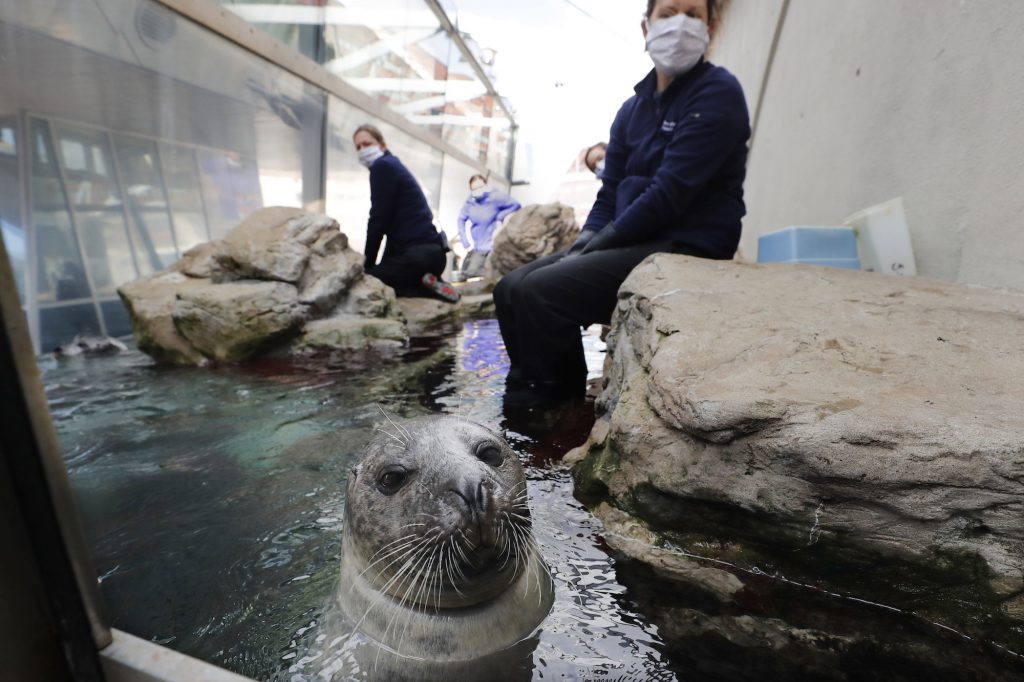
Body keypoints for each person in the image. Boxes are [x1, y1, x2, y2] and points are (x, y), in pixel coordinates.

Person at [494, 0, 750, 402]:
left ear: (710, 27)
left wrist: (603, 240)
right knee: (509, 287)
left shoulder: (717, 92)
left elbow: (669, 194)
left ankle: (559, 407)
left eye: (692, 14)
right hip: (634, 241)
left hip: (686, 243)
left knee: (540, 292)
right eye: (667, 13)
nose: (679, 24)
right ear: (646, 26)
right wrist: (587, 238)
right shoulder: (632, 110)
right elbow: (609, 192)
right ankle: (526, 386)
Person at [353, 124, 459, 303]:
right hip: (434, 257)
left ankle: (421, 287)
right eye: (358, 147)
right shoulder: (394, 164)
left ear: (382, 145)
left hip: (417, 256)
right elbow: (390, 227)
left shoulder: (382, 166)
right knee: (385, 274)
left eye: (367, 144)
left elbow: (378, 220)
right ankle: (428, 282)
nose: (363, 150)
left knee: (371, 281)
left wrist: (368, 266)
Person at [455, 174, 521, 278]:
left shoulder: (495, 196)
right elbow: (460, 219)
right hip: (478, 248)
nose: (478, 190)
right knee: (468, 274)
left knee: (495, 274)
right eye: (474, 189)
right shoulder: (470, 202)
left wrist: (500, 216)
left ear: (486, 186)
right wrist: (465, 241)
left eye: (480, 187)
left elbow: (516, 204)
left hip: (494, 247)